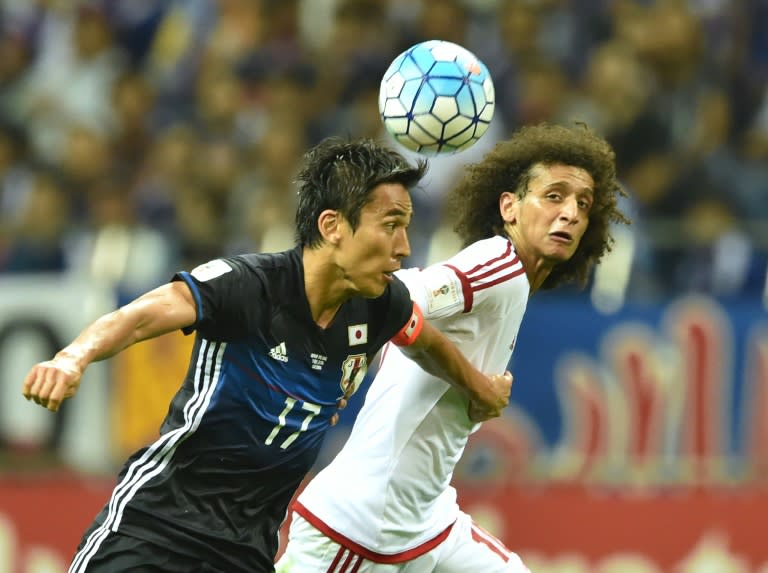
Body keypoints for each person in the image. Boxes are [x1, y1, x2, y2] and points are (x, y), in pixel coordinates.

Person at [21, 137, 513, 573]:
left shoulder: (381, 305)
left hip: (246, 550)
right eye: (391, 225)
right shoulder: (249, 285)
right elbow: (147, 312)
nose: (404, 247)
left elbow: (424, 340)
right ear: (332, 225)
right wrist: (73, 357)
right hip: (156, 527)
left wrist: (477, 386)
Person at [276, 123, 630, 572]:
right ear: (510, 207)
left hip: (429, 523)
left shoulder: (515, 286)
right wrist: (477, 386)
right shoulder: (498, 264)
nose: (571, 213)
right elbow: (399, 299)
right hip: (360, 530)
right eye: (554, 195)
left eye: (583, 203)